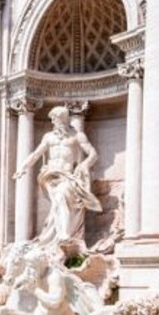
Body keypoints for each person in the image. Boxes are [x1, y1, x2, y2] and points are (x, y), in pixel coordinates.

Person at [14, 106, 101, 253]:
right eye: (53, 120)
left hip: (67, 175)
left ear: (64, 119)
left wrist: (85, 163)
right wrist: (23, 167)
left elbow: (93, 153)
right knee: (59, 200)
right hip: (50, 175)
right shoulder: (49, 137)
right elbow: (36, 154)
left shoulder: (77, 135)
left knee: (60, 199)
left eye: (56, 119)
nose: (54, 122)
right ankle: (62, 234)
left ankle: (60, 234)